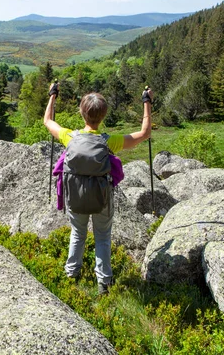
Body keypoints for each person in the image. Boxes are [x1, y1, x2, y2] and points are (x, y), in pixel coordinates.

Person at [43, 82, 153, 294]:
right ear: (103, 116)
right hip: (102, 198)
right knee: (102, 237)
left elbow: (48, 121)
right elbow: (144, 133)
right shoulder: (109, 142)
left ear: (81, 113)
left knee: (78, 234)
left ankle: (71, 275)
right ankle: (104, 283)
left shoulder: (69, 137)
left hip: (75, 197)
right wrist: (146, 101)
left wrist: (52, 96)